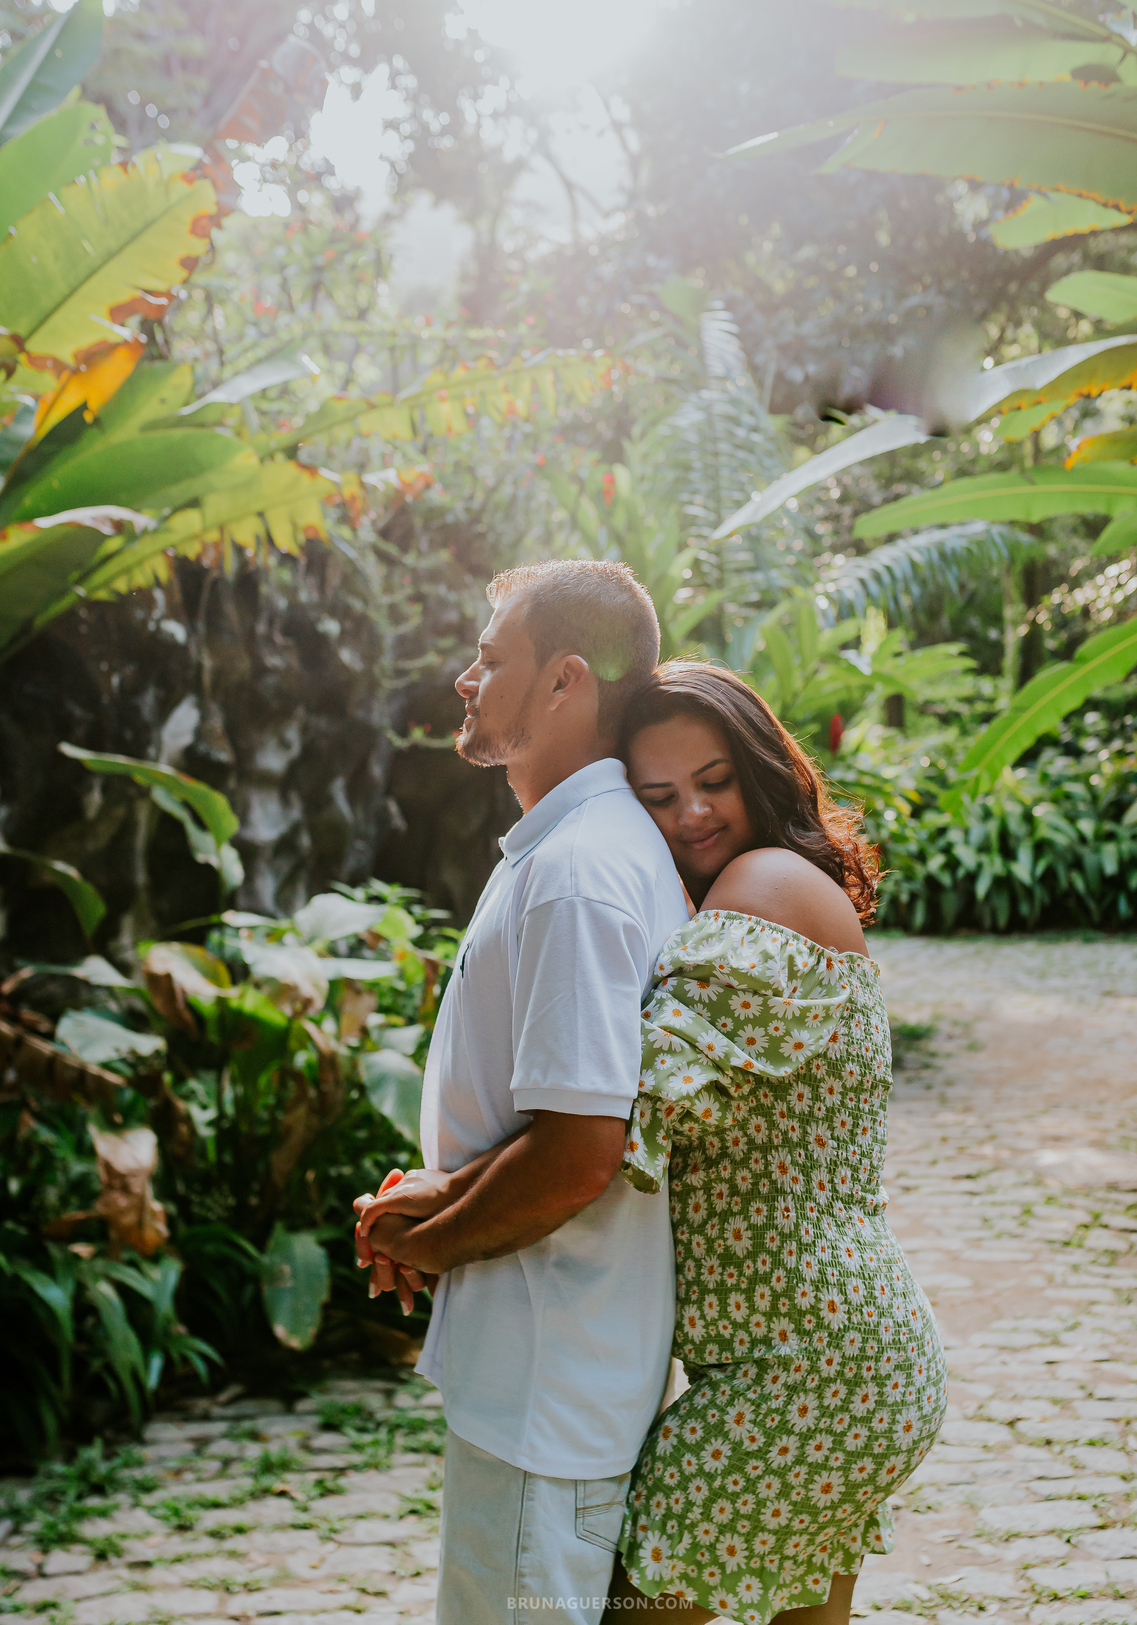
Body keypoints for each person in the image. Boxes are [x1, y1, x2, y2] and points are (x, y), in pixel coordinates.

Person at [354, 561, 689, 1622]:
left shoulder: (581, 869)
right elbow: (556, 1117)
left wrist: (430, 1237)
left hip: (551, 1391)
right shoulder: (567, 849)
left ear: (565, 684)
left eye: (491, 658)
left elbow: (580, 1151)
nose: (464, 678)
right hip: (549, 1371)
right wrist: (436, 1199)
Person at [600, 660, 949, 1623]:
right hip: (845, 1359)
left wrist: (453, 1201)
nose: (693, 816)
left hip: (805, 1373)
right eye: (658, 797)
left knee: (623, 1613)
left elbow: (625, 1109)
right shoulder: (756, 891)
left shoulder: (761, 887)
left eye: (714, 782)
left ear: (761, 771)